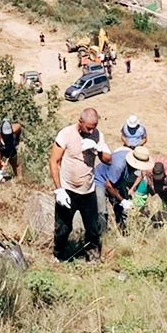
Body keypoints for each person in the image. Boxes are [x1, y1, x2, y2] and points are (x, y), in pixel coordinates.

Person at [49, 108, 105, 260]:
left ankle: (93, 257)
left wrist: (97, 148)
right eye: (88, 127)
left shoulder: (97, 135)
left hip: (88, 190)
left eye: (94, 126)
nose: (91, 130)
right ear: (80, 122)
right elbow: (54, 161)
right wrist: (59, 189)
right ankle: (58, 255)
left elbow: (108, 159)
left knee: (93, 228)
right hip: (68, 189)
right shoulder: (66, 134)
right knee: (63, 227)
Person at [95, 142, 134, 233]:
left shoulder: (131, 159)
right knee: (102, 210)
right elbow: (109, 186)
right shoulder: (119, 165)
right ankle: (103, 236)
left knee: (121, 208)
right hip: (101, 180)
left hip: (116, 181)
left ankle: (123, 231)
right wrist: (122, 200)